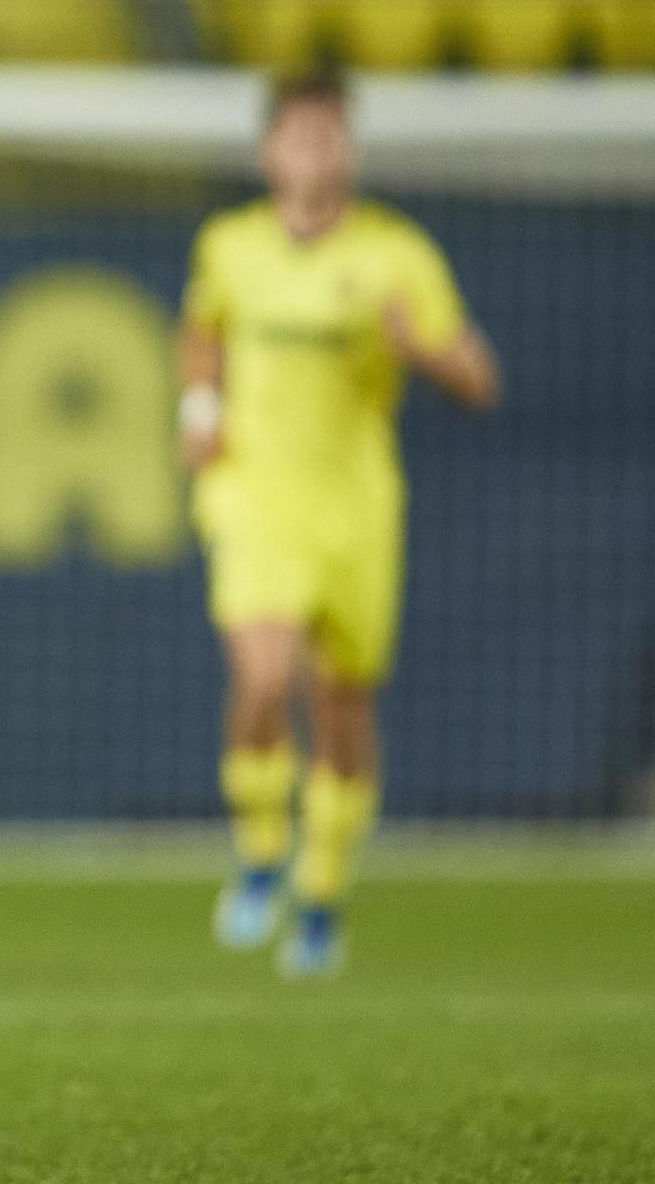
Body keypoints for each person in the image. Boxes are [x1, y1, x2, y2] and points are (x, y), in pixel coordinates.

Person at [178, 70, 499, 977]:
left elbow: (481, 378)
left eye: (334, 135)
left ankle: (321, 891)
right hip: (255, 499)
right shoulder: (230, 245)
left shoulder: (397, 255)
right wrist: (199, 410)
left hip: (356, 510)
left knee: (344, 702)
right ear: (269, 151)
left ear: (350, 150)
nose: (320, 150)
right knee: (263, 677)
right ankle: (261, 845)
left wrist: (425, 350)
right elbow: (201, 329)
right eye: (303, 134)